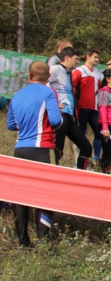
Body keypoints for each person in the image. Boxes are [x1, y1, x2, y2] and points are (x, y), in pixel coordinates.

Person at [6, 61, 63, 247]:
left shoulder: (17, 95)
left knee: (20, 196)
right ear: (48, 77)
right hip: (43, 148)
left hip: (20, 149)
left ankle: (23, 241)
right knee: (46, 195)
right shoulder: (48, 92)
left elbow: (11, 125)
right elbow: (55, 121)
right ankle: (42, 242)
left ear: (29, 76)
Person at [48, 47, 92, 170]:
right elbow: (43, 83)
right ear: (67, 58)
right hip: (60, 114)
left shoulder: (68, 73)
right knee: (58, 148)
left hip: (69, 115)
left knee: (86, 147)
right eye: (76, 59)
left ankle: (80, 174)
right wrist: (53, 103)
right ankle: (52, 174)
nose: (78, 62)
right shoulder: (55, 68)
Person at [71, 49, 103, 164]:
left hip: (94, 108)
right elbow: (73, 88)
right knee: (80, 134)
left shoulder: (98, 73)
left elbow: (98, 90)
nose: (97, 60)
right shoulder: (79, 71)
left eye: (98, 57)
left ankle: (96, 158)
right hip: (81, 107)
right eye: (95, 57)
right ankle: (77, 161)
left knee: (99, 133)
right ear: (88, 56)